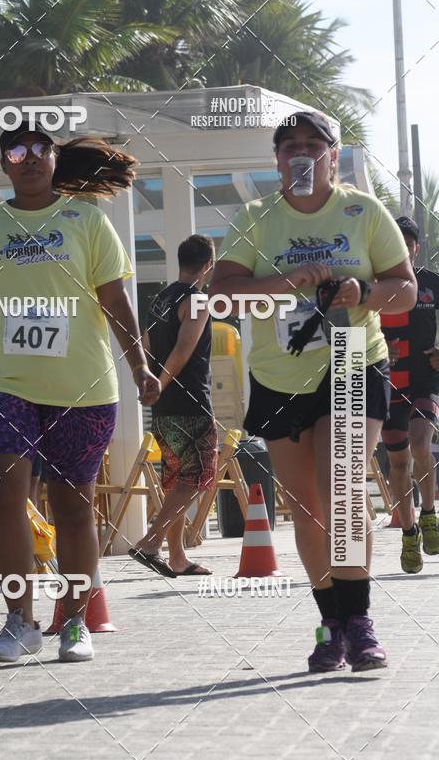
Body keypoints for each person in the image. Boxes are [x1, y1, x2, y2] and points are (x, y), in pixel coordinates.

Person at [0, 120, 159, 664]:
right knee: (2, 496)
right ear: (4, 165)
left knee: (72, 508)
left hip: (81, 385)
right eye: (17, 151)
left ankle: (76, 622)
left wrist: (140, 365)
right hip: (3, 383)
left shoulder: (87, 221)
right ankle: (20, 621)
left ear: (55, 159)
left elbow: (116, 300)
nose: (31, 157)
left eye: (41, 148)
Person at [209, 110, 417, 673]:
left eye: (312, 145)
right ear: (277, 160)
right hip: (278, 374)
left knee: (341, 490)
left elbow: (404, 289)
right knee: (306, 509)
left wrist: (364, 292)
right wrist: (285, 282)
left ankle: (360, 622)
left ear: (333, 156)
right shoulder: (255, 216)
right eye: (289, 146)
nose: (301, 154)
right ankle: (332, 624)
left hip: (352, 361)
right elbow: (222, 294)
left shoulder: (362, 210)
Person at [129, 234, 217, 577]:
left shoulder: (161, 299)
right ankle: (151, 541)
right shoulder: (197, 300)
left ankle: (178, 556)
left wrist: (150, 385)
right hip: (190, 400)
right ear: (208, 265)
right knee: (198, 475)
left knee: (176, 478)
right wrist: (160, 383)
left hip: (164, 405)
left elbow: (146, 346)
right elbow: (183, 350)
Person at [380, 216, 439, 573]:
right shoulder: (374, 287)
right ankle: (408, 532)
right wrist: (377, 348)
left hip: (424, 383)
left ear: (417, 247)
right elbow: (349, 327)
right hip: (386, 386)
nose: (403, 249)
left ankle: (429, 513)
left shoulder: (430, 282)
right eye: (396, 242)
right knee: (399, 464)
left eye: (409, 243)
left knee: (420, 444)